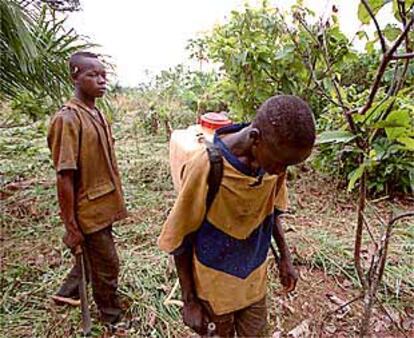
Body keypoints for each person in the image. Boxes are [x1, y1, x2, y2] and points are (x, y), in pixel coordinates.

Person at [158, 95, 316, 337]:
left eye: (288, 165)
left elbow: (271, 212)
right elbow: (180, 237)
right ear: (255, 139)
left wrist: (285, 258)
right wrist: (189, 301)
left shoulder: (274, 162)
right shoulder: (207, 166)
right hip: (214, 287)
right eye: (280, 163)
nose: (282, 171)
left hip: (253, 281)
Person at [47, 51, 127, 325]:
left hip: (102, 203)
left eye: (104, 75)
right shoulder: (68, 119)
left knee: (95, 257)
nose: (101, 81)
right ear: (75, 77)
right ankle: (111, 318)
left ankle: (67, 293)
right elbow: (65, 176)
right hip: (87, 210)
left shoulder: (96, 113)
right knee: (108, 266)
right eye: (93, 75)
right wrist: (71, 227)